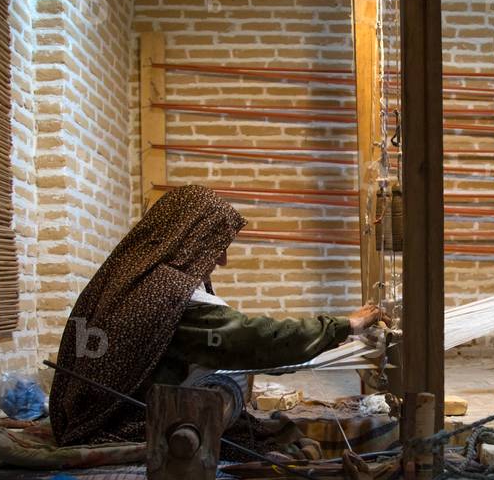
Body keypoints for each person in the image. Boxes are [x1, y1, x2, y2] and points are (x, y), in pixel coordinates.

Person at [48, 185, 387, 446]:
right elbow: (251, 339)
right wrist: (345, 325)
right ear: (192, 240)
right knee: (268, 439)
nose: (222, 260)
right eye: (217, 246)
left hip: (93, 412)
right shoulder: (165, 291)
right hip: (118, 422)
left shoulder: (135, 274)